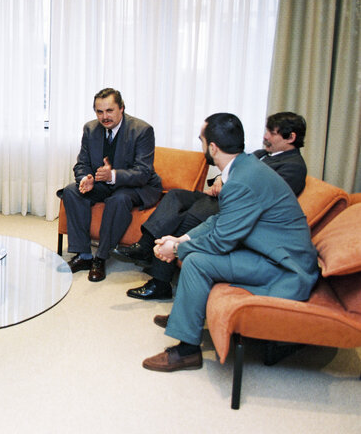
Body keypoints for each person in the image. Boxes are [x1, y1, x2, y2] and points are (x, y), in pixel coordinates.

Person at [142, 113, 318, 372]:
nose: (201, 145)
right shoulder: (244, 167)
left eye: (202, 140)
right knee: (193, 253)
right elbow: (221, 221)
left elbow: (221, 240)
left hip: (284, 267)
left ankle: (187, 351)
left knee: (196, 262)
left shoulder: (242, 180)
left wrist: (176, 248)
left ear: (212, 148)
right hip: (269, 253)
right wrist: (182, 237)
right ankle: (187, 318)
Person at [114, 111, 308, 300]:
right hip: (218, 198)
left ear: (290, 137)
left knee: (186, 220)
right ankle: (145, 244)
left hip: (234, 209)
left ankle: (160, 282)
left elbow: (259, 198)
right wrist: (218, 180)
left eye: (272, 133)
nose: (265, 136)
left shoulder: (293, 166)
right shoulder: (262, 154)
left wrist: (226, 187)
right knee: (175, 196)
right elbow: (232, 169)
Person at [60, 88, 162, 282]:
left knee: (119, 199)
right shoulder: (90, 129)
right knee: (71, 191)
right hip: (102, 182)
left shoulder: (142, 130)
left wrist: (112, 175)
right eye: (99, 112)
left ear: (121, 108)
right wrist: (86, 178)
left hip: (136, 185)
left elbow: (143, 172)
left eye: (109, 110)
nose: (104, 117)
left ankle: (101, 257)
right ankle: (84, 255)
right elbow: (81, 163)